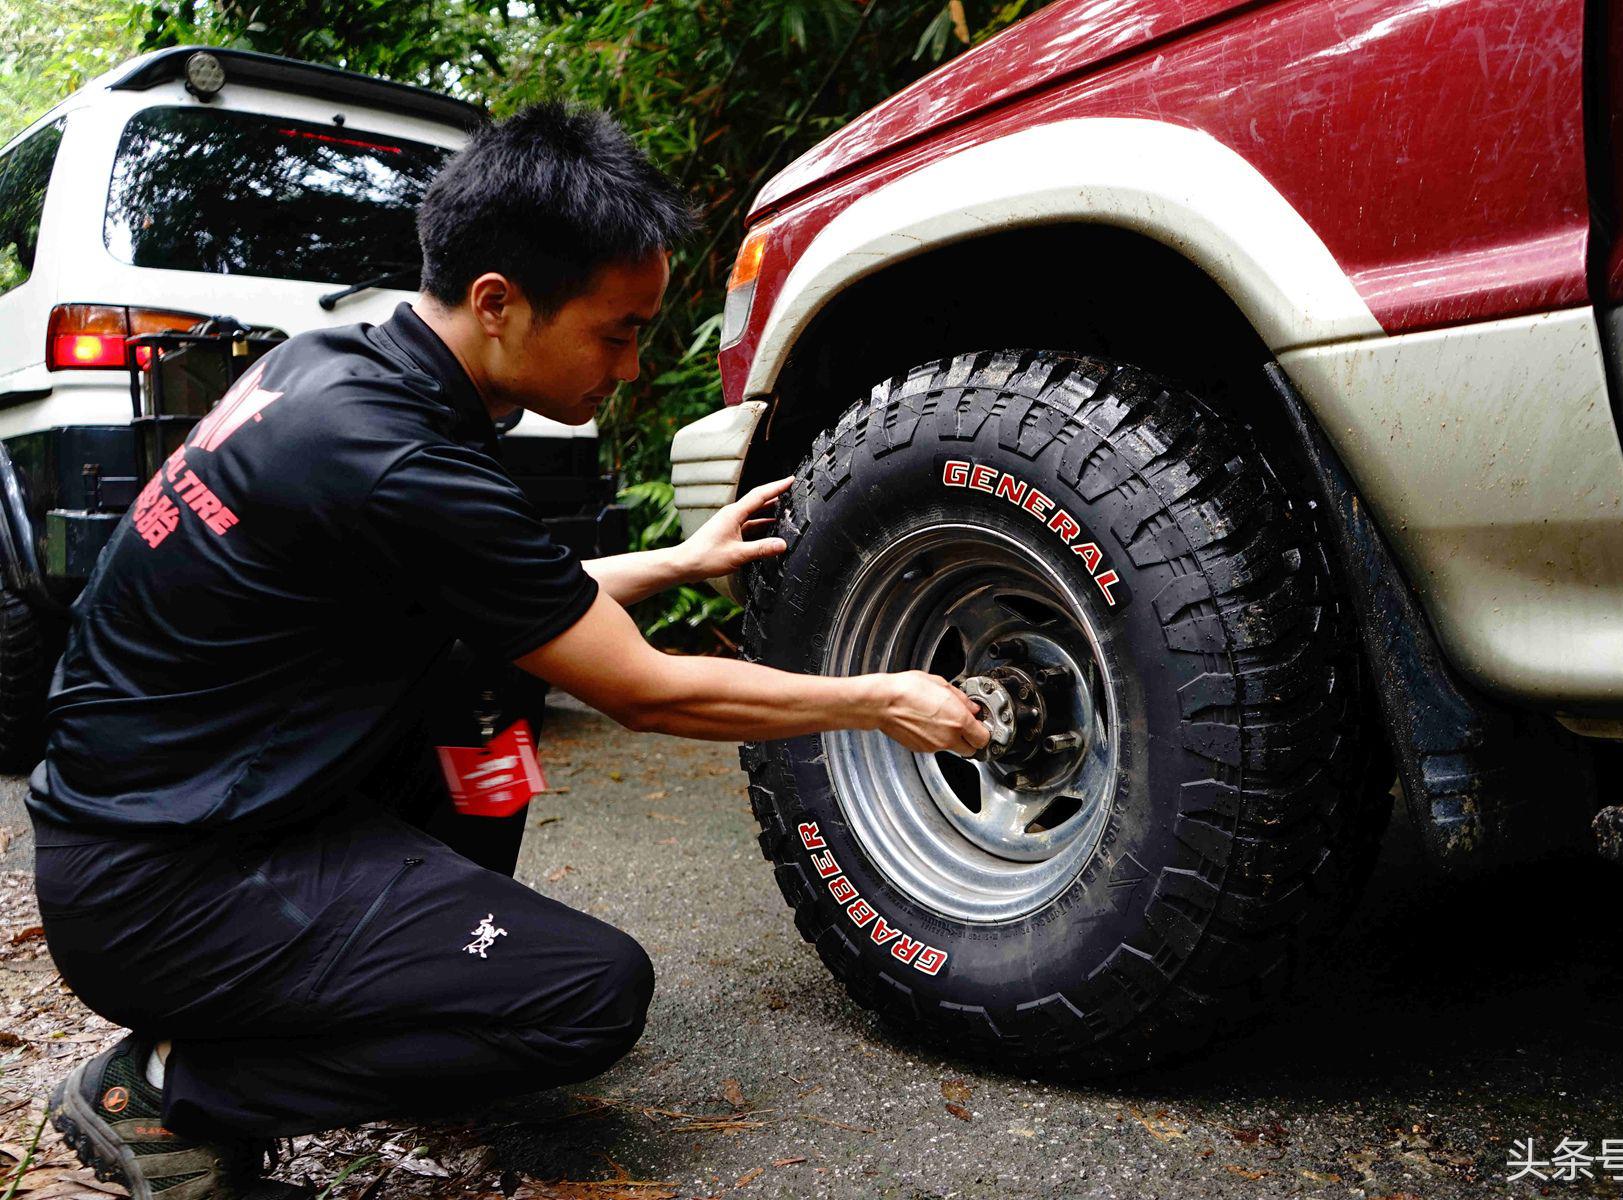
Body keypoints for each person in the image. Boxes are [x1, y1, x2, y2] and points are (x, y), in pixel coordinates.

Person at [30, 102, 988, 1200]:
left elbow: (509, 597)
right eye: (615, 332)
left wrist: (677, 561)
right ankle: (165, 1091)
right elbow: (649, 694)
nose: (625, 370)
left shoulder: (336, 371)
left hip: (168, 830)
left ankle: (411, 997)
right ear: (499, 304)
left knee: (481, 667)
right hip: (167, 890)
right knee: (588, 996)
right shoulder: (397, 457)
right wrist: (880, 700)